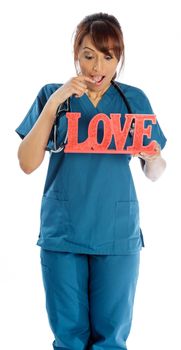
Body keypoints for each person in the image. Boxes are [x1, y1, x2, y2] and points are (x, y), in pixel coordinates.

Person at [15, 12, 167, 350]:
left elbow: (154, 172)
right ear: (75, 55)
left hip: (116, 233)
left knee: (111, 339)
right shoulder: (53, 95)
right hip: (63, 233)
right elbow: (26, 163)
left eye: (107, 56)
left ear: (118, 59)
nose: (97, 67)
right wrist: (55, 103)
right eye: (88, 55)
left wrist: (153, 156)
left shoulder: (134, 100)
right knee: (69, 338)